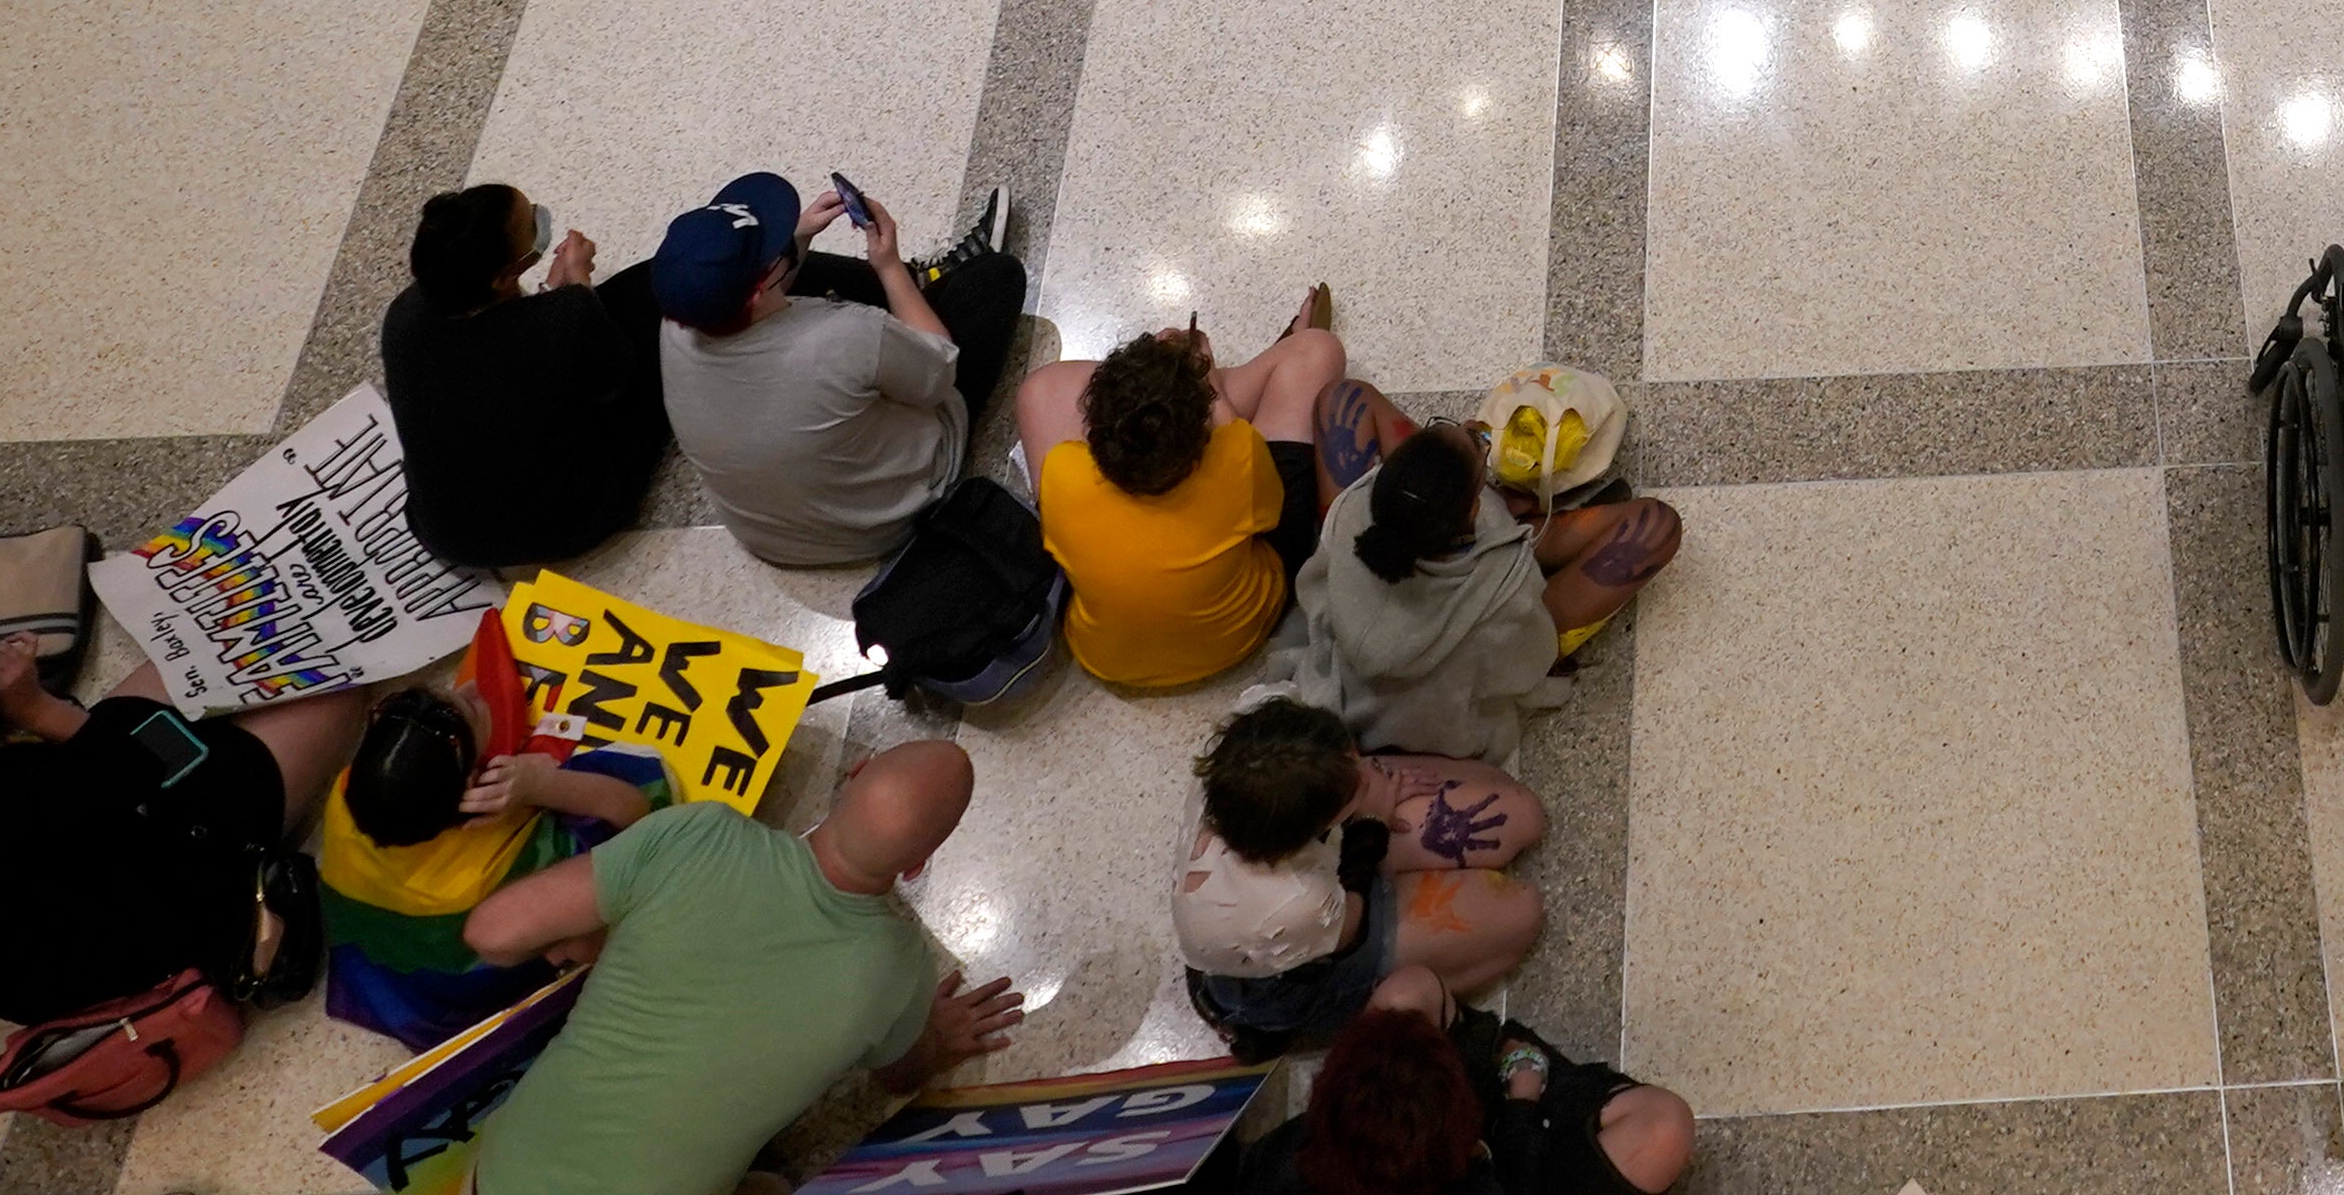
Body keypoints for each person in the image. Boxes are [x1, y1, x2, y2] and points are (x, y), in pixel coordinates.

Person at [0, 587, 362, 1061]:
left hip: (27, 986)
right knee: (330, 694)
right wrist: (38, 709)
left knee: (163, 689)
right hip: (147, 941)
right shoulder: (33, 788)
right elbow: (173, 800)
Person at [451, 740, 1008, 1195]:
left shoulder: (700, 835)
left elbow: (490, 934)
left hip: (499, 1179)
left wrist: (615, 929)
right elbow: (901, 1077)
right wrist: (936, 1037)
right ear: (916, 866)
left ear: (852, 774)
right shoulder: (900, 968)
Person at [651, 169, 1026, 569]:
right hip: (885, 523)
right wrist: (888, 266)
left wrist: (798, 239)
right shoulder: (844, 336)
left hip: (770, 537)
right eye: (770, 248)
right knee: (997, 277)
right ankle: (919, 281)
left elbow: (758, 297)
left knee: (808, 274)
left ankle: (916, 286)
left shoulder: (674, 327)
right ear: (760, 289)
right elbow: (939, 370)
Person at [1021, 308, 1390, 694]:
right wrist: (1207, 381)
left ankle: (1206, 386)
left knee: (1040, 388)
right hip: (1245, 628)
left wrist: (1156, 376)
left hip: (1106, 657)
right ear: (1202, 434)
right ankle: (1240, 378)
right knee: (1319, 349)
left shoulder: (1062, 474)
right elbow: (1268, 508)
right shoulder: (1237, 457)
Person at [1289, 418, 1678, 762]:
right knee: (1657, 526)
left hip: (1348, 680)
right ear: (1476, 508)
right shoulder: (1508, 589)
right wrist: (1510, 519)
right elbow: (1529, 661)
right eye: (1481, 470)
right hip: (1477, 638)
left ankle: (1520, 508)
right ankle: (1537, 514)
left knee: (1345, 400)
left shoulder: (1353, 507)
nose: (1476, 431)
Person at [1173, 698, 1544, 1052]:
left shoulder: (1250, 764)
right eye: (1354, 785)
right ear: (1313, 832)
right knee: (1522, 912)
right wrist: (1371, 823)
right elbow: (1349, 925)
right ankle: (1295, 1025)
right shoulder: (1294, 902)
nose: (1368, 773)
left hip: (1310, 878)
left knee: (1523, 812)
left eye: (1353, 758)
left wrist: (1362, 791)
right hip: (1292, 966)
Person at [315, 658, 654, 1043]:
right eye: (471, 708)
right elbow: (635, 812)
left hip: (385, 960)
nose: (473, 686)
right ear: (477, 787)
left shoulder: (348, 793)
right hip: (464, 989)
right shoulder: (504, 863)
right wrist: (541, 785)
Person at [385, 182, 672, 571]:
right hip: (571, 522)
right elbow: (613, 385)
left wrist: (559, 300)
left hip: (442, 533)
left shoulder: (404, 317)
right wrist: (579, 286)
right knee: (651, 306)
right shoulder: (564, 319)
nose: (540, 218)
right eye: (532, 223)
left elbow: (502, 361)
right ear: (502, 278)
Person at [1251, 997, 1696, 1195]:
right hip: (1513, 1161)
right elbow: (1515, 1175)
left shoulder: (1285, 1156)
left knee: (1410, 988)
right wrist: (1522, 1101)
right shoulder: (1479, 1183)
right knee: (1663, 1127)